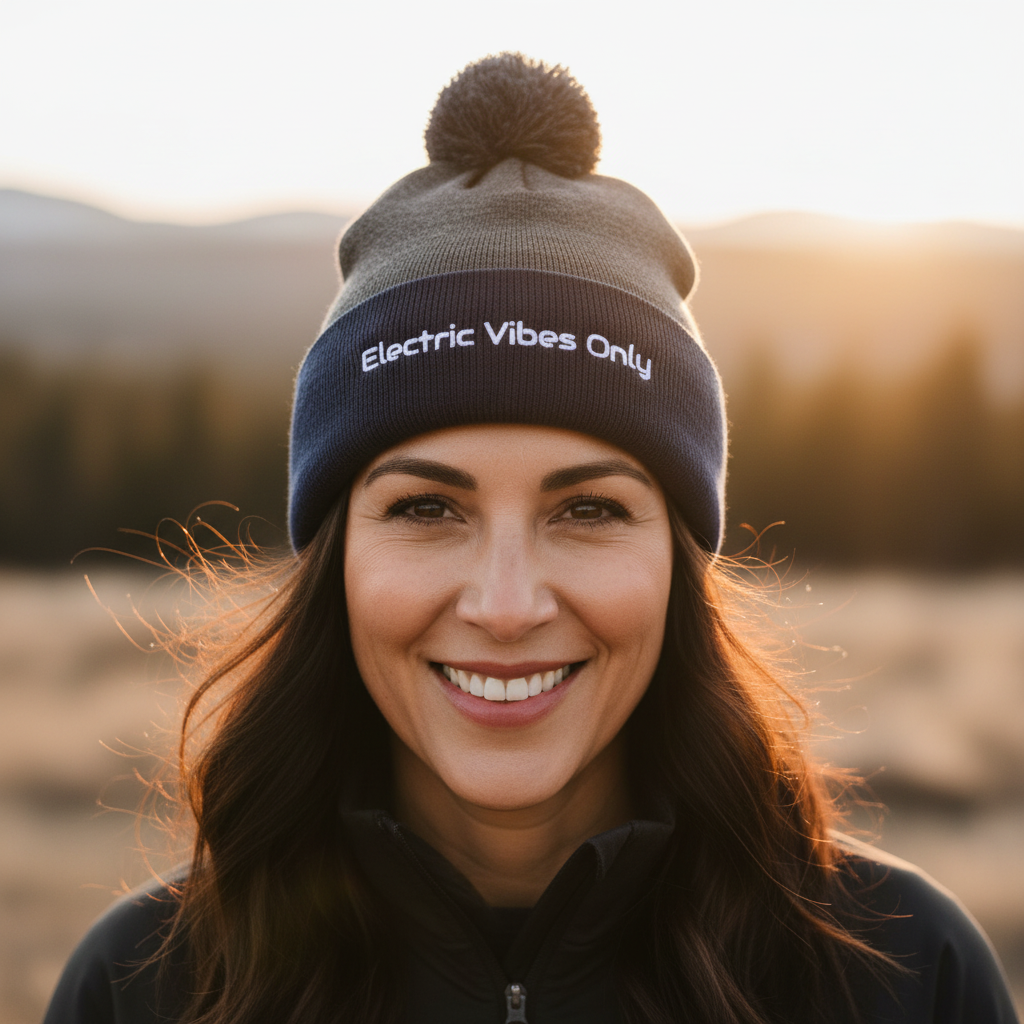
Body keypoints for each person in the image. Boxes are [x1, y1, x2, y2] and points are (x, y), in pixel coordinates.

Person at [44, 53, 1018, 1024]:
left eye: (587, 510)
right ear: (336, 557)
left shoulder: (899, 975)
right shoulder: (148, 986)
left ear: (677, 561)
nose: (506, 606)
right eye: (427, 509)